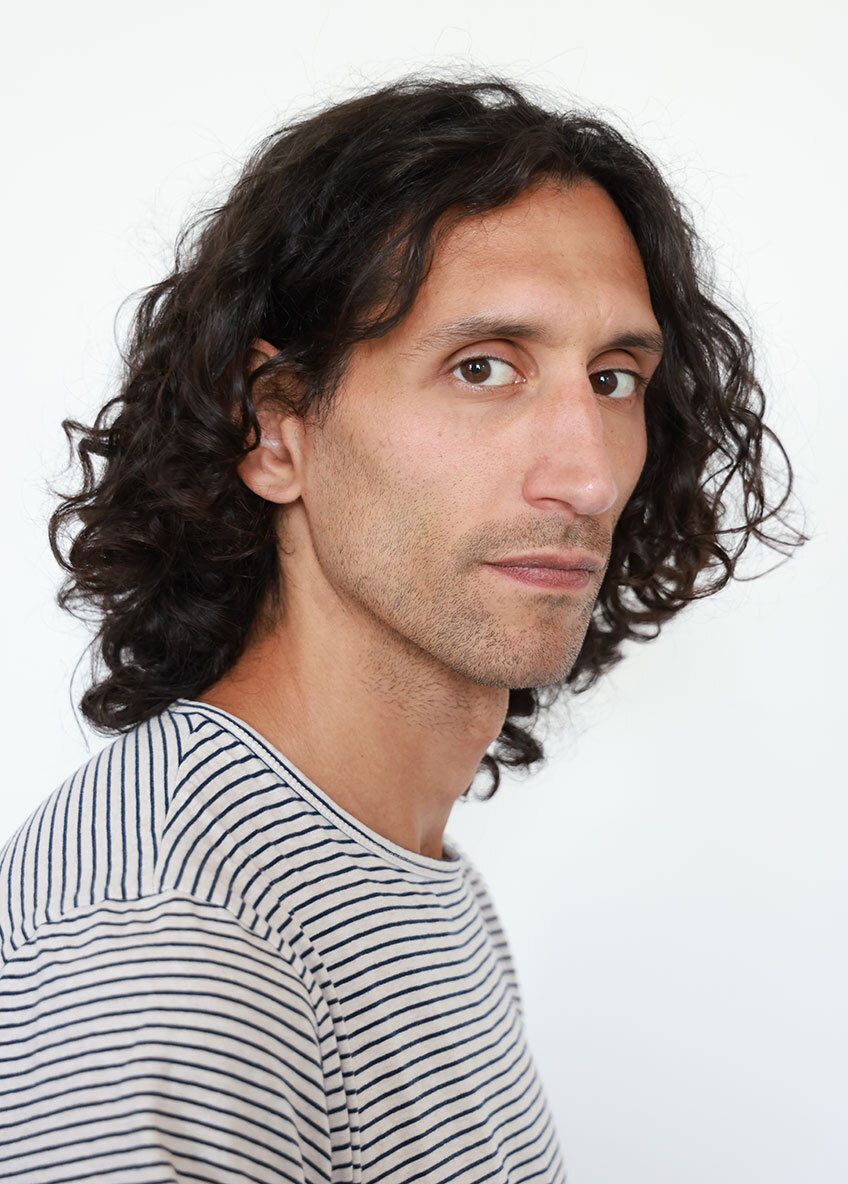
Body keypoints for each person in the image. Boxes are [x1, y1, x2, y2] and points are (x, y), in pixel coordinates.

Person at [0, 75, 806, 1182]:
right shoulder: (165, 941)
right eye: (483, 368)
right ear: (275, 427)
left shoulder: (407, 875)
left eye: (613, 379)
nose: (586, 477)